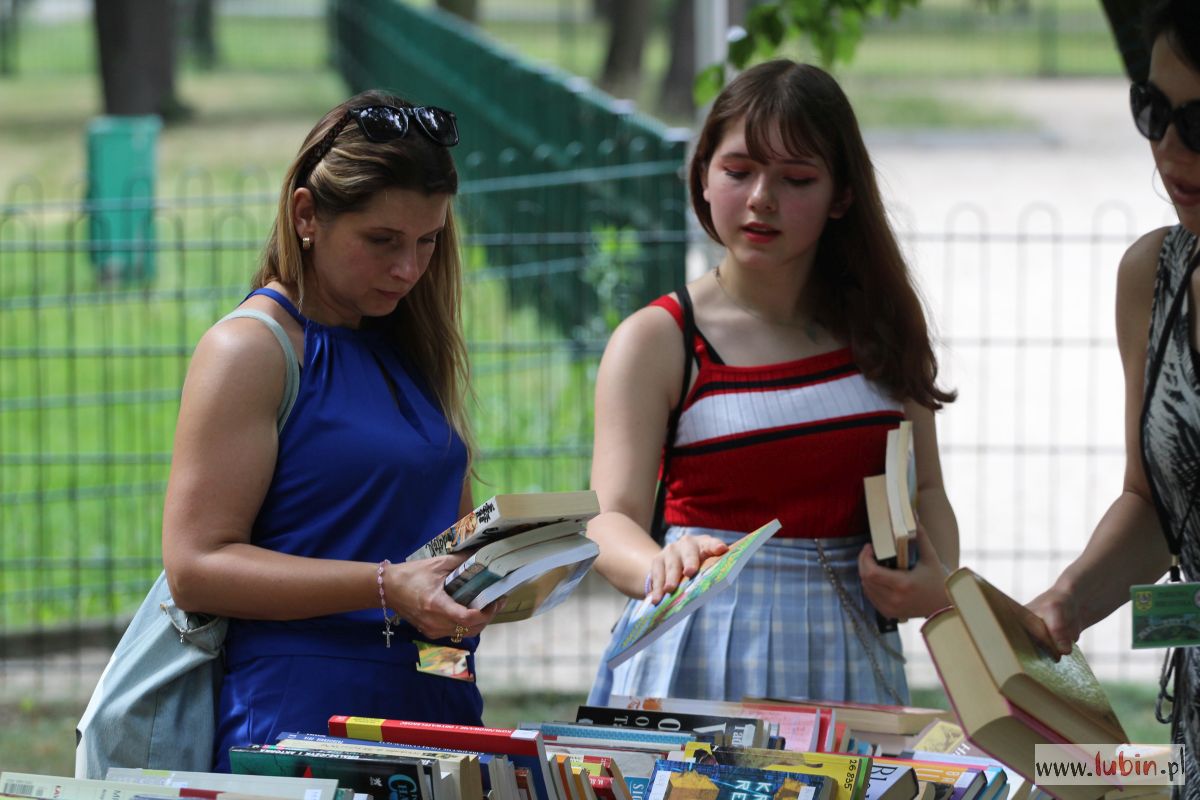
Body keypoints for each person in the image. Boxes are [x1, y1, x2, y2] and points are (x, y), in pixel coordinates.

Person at [587, 60, 960, 706]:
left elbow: (926, 489)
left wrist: (937, 580)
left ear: (842, 195)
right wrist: (659, 565)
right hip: (698, 647)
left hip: (850, 652)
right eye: (738, 171)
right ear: (703, 177)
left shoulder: (881, 327)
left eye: (797, 178)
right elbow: (606, 519)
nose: (762, 197)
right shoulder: (659, 338)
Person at [160, 89, 500, 771]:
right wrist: (385, 587)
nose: (409, 269)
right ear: (306, 215)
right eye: (382, 241)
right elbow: (195, 567)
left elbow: (437, 555)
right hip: (300, 726)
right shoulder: (251, 350)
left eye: (428, 241)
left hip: (435, 705)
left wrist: (496, 578)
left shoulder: (407, 343)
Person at [1026, 0, 1200, 793]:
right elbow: (1154, 507)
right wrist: (1068, 600)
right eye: (1153, 111)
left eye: (1199, 123)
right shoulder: (1153, 278)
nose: (1169, 149)